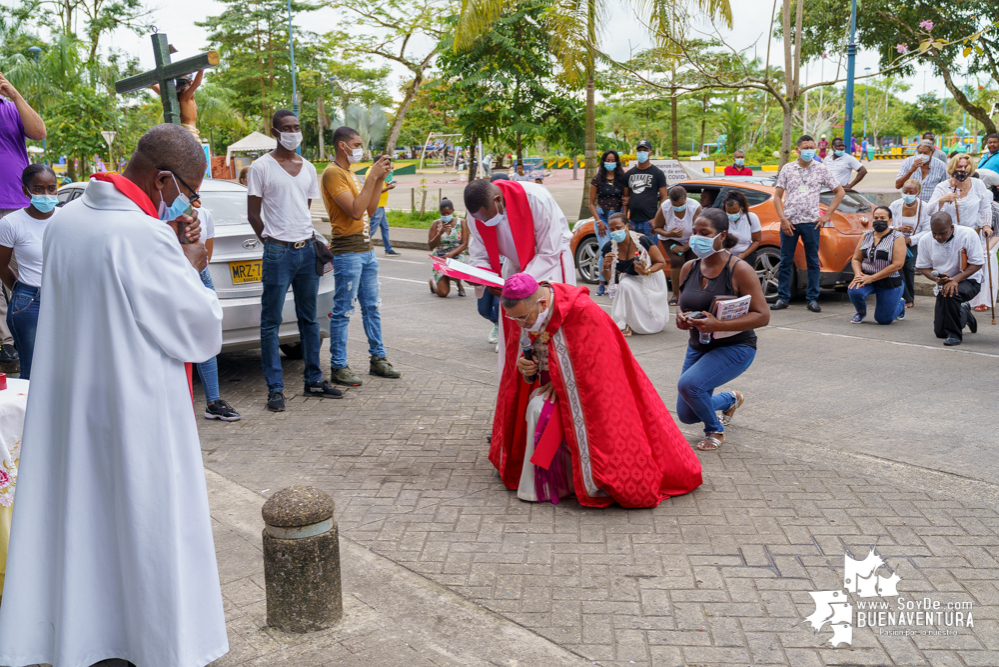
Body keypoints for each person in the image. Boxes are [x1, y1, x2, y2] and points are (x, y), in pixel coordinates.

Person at [0, 124, 228, 667]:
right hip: (136, 406)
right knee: (144, 524)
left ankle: (82, 633)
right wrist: (190, 260)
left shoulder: (67, 221)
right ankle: (153, 642)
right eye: (190, 192)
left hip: (76, 401)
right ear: (165, 179)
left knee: (87, 520)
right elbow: (197, 331)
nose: (189, 203)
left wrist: (170, 245)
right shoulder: (141, 235)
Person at [492, 272, 702, 507]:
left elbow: (602, 366)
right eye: (515, 320)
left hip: (591, 396)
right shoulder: (531, 313)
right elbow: (533, 354)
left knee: (539, 408)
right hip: (550, 385)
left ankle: (555, 484)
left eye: (523, 319)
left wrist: (561, 382)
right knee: (535, 404)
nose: (521, 325)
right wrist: (524, 367)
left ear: (542, 303)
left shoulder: (582, 311)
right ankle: (552, 480)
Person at [248, 110, 342, 411]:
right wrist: (272, 242)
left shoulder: (309, 168)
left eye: (297, 127)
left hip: (306, 251)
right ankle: (275, 388)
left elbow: (304, 207)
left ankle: (314, 380)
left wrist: (300, 238)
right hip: (278, 251)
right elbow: (253, 214)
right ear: (275, 132)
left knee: (309, 320)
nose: (293, 132)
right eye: (286, 128)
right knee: (270, 322)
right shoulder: (261, 167)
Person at [675, 209, 770, 451]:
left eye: (704, 233)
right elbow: (682, 303)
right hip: (699, 346)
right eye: (694, 232)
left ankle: (715, 430)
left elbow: (763, 316)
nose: (697, 238)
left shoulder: (739, 270)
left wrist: (720, 326)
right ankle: (730, 399)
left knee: (688, 386)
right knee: (686, 415)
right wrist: (681, 318)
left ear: (722, 235)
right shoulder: (689, 267)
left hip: (735, 347)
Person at [463, 177, 575, 373]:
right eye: (480, 220)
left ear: (498, 199)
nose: (485, 224)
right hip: (515, 265)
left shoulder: (535, 198)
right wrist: (479, 274)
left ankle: (556, 376)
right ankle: (520, 377)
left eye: (488, 218)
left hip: (551, 264)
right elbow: (479, 253)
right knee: (516, 328)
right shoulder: (476, 214)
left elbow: (549, 251)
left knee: (552, 325)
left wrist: (519, 285)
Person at [322, 126, 401, 387]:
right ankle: (338, 366)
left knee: (372, 308)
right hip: (348, 251)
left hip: (366, 250)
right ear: (342, 146)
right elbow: (355, 212)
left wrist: (378, 179)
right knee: (344, 311)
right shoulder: (333, 173)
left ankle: (378, 358)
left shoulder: (351, 173)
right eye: (356, 144)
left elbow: (370, 207)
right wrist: (372, 177)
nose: (360, 148)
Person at [0, 71, 46, 366]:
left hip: (15, 202)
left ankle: (27, 332)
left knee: (23, 273)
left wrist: (15, 95)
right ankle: (5, 342)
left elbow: (39, 132)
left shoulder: (9, 106)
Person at [770, 136, 846, 312]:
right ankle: (783, 298)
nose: (809, 150)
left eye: (812, 147)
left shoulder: (821, 169)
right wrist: (782, 219)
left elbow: (839, 192)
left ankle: (812, 299)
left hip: (811, 222)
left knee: (813, 261)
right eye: (806, 147)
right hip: (790, 222)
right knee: (785, 261)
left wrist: (826, 215)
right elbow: (777, 196)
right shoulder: (788, 169)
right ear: (798, 149)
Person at [0, 165, 57, 380]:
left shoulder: (66, 218)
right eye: (39, 189)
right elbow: (1, 264)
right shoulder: (11, 223)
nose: (46, 195)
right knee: (33, 371)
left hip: (64, 299)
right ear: (26, 191)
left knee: (64, 365)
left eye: (51, 189)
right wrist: (19, 288)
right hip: (29, 303)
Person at [191, 199, 241, 421]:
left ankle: (213, 401)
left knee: (207, 336)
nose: (195, 193)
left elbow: (205, 257)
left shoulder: (204, 214)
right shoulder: (160, 213)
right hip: (175, 276)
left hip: (200, 276)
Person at [928, 153, 996, 313]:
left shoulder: (978, 184)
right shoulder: (943, 187)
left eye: (966, 167)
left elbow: (985, 207)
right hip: (949, 237)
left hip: (973, 235)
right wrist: (942, 200)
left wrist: (987, 225)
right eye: (959, 167)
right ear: (953, 168)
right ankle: (955, 304)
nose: (963, 170)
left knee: (971, 270)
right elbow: (929, 212)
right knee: (950, 270)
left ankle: (969, 303)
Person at [915, 212, 984, 346]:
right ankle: (964, 312)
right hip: (943, 281)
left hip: (969, 279)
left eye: (942, 233)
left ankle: (955, 334)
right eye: (934, 233)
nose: (938, 237)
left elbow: (977, 263)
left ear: (951, 227)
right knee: (940, 332)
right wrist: (936, 280)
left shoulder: (967, 234)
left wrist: (955, 279)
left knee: (951, 292)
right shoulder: (925, 239)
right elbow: (924, 268)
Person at [601, 213, 670, 335]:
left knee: (650, 315)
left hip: (650, 277)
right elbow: (608, 278)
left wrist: (646, 271)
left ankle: (642, 322)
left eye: (618, 227)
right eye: (612, 229)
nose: (615, 231)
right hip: (629, 278)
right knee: (625, 285)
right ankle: (628, 324)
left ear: (627, 226)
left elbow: (661, 263)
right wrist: (606, 266)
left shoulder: (642, 241)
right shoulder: (609, 247)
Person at [847, 206, 907, 324]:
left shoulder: (898, 237)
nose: (879, 220)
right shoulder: (866, 236)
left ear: (890, 221)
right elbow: (856, 259)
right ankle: (860, 312)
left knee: (883, 320)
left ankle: (900, 305)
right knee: (854, 290)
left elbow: (897, 265)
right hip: (867, 276)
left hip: (890, 280)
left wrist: (872, 278)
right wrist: (858, 275)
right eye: (876, 218)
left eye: (883, 218)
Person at [652, 185, 702, 305]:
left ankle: (689, 294)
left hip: (692, 238)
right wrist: (669, 233)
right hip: (670, 239)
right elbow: (657, 228)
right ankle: (676, 294)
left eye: (681, 205)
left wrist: (685, 247)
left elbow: (700, 232)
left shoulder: (694, 207)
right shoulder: (665, 207)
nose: (678, 207)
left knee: (692, 262)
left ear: (686, 198)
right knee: (677, 260)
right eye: (675, 205)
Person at [588, 149, 628, 296]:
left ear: (617, 162)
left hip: (617, 217)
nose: (610, 163)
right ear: (603, 162)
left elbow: (625, 200)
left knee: (618, 250)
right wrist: (599, 222)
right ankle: (602, 283)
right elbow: (591, 203)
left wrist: (624, 219)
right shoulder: (597, 179)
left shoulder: (622, 178)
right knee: (606, 250)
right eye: (608, 160)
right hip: (602, 217)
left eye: (613, 160)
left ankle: (614, 283)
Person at [889, 179, 932, 307]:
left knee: (908, 267)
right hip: (896, 241)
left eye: (911, 192)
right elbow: (887, 224)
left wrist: (910, 239)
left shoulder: (925, 207)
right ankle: (897, 295)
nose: (907, 195)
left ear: (918, 192)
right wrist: (897, 229)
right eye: (905, 191)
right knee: (896, 267)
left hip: (914, 243)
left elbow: (927, 230)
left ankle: (908, 299)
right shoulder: (895, 205)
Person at [624, 139, 668, 241]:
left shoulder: (658, 173)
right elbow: (625, 198)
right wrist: (625, 220)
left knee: (651, 253)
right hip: (633, 222)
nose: (642, 153)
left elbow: (663, 197)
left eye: (645, 150)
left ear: (650, 153)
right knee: (634, 254)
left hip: (649, 222)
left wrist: (657, 219)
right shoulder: (628, 174)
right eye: (639, 150)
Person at [428, 198, 469, 297]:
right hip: (440, 256)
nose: (446, 216)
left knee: (456, 267)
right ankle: (433, 281)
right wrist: (440, 233)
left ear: (453, 211)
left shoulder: (462, 223)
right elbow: (430, 245)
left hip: (456, 254)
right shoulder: (436, 224)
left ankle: (459, 284)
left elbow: (464, 244)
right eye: (443, 214)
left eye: (448, 213)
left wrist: (451, 254)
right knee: (443, 293)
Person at [150, 70, 204, 139]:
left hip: (180, 133)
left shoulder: (172, 96)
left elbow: (153, 85)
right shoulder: (185, 96)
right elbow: (197, 84)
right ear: (191, 82)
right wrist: (201, 69)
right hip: (190, 133)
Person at [722, 190, 761, 264]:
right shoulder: (722, 218)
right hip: (725, 256)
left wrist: (744, 254)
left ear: (742, 207)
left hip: (745, 256)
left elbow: (757, 240)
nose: (732, 214)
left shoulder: (751, 218)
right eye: (729, 212)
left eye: (735, 212)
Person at [369, 171, 400, 256]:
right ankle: (360, 246)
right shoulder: (375, 176)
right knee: (372, 229)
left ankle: (388, 249)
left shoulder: (380, 176)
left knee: (385, 228)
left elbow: (379, 188)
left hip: (381, 206)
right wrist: (388, 188)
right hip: (377, 206)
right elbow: (376, 191)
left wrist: (386, 186)